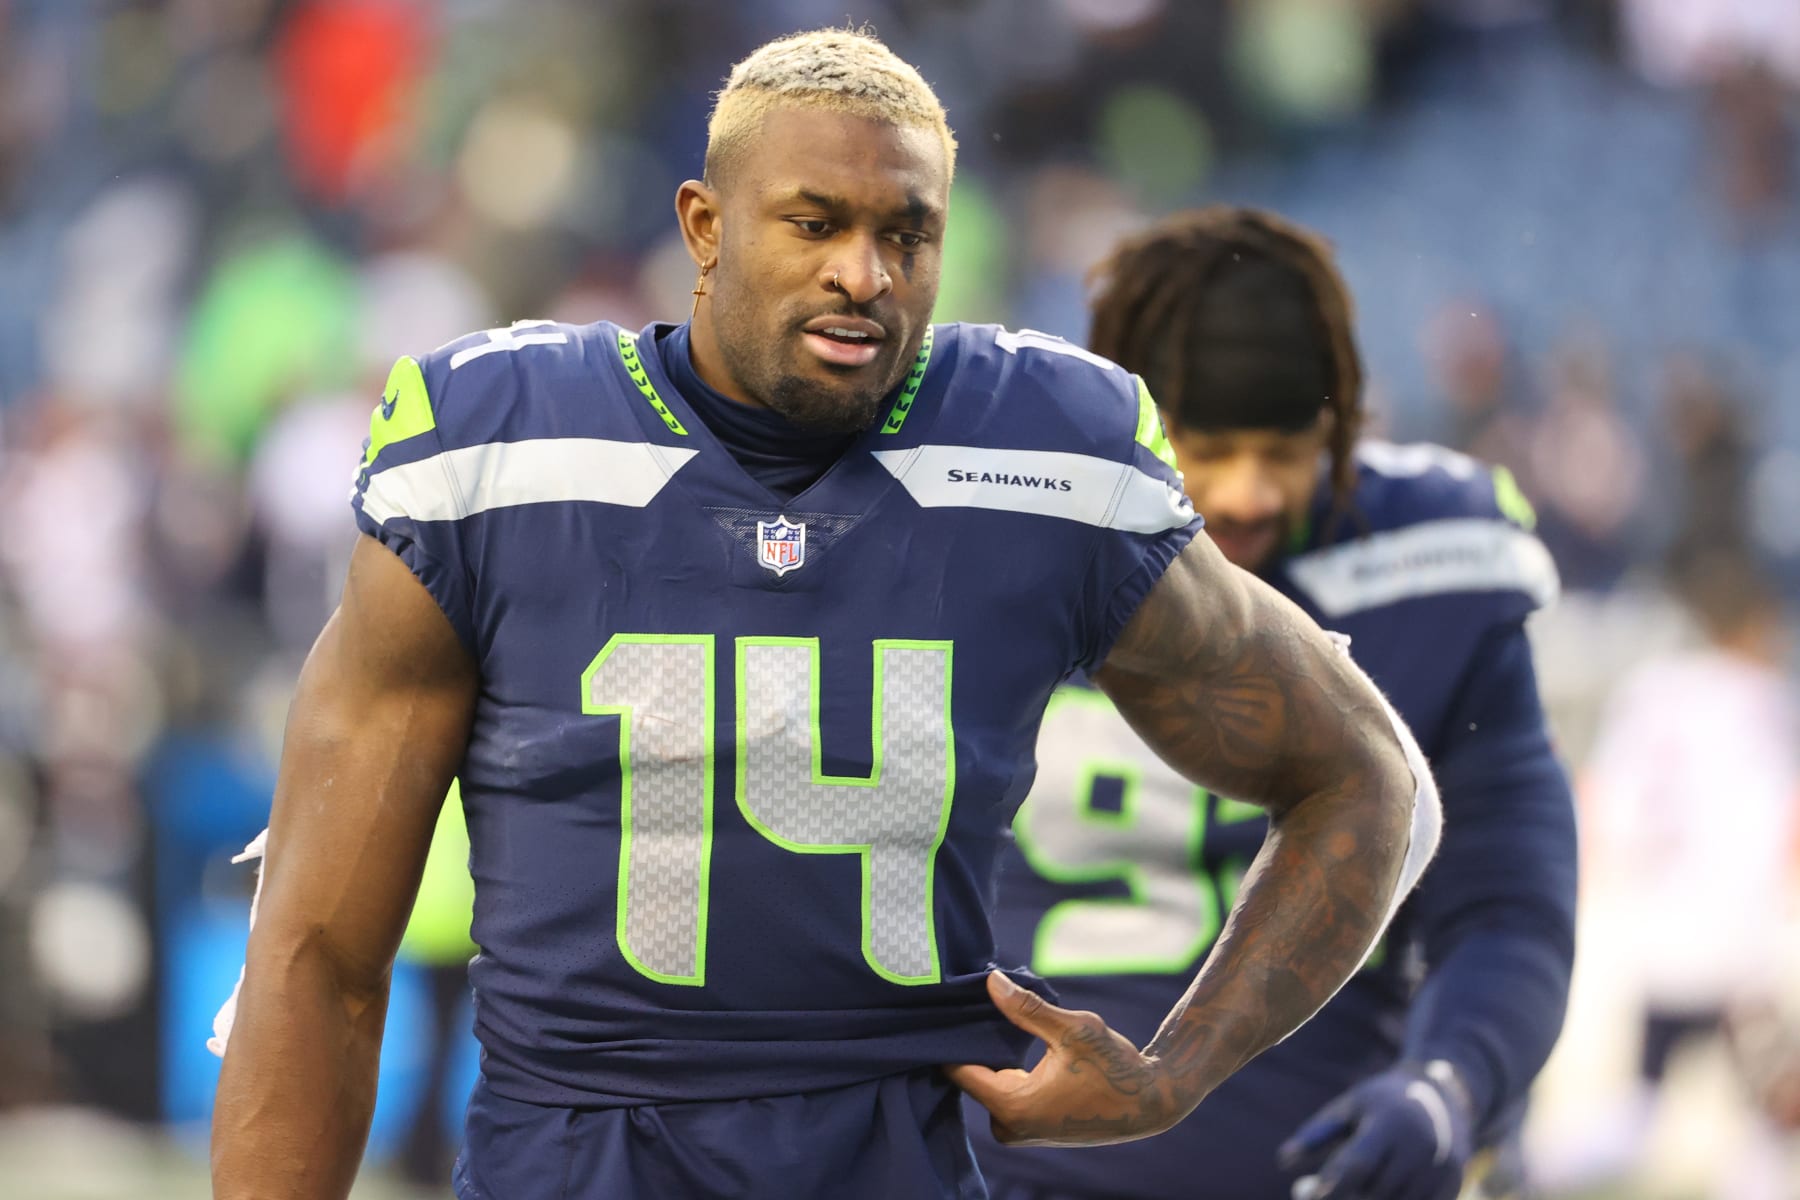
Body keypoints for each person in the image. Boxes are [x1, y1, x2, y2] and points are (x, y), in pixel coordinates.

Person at [207, 34, 1441, 1200]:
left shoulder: (1043, 455)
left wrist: (1177, 1071)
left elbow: (1364, 778)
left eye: (909, 233)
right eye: (817, 224)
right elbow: (317, 958)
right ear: (704, 225)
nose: (867, 272)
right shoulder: (505, 449)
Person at [972, 207, 1579, 1200]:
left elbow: (1508, 907)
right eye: (1207, 447)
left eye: (1285, 448)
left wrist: (1447, 1086)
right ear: (1127, 425)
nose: (1248, 494)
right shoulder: (999, 538)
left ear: (1339, 429)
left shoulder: (1426, 573)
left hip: (1303, 1166)